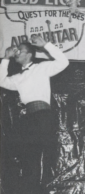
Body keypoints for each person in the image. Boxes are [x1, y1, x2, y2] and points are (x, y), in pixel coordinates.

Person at [0, 37, 69, 194]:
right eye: (15, 51)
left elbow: (63, 62)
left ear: (29, 54)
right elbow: (1, 81)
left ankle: (43, 189)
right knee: (29, 157)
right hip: (29, 118)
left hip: (43, 115)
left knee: (43, 155)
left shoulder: (42, 67)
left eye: (19, 51)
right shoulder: (19, 77)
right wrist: (5, 59)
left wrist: (46, 45)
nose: (16, 53)